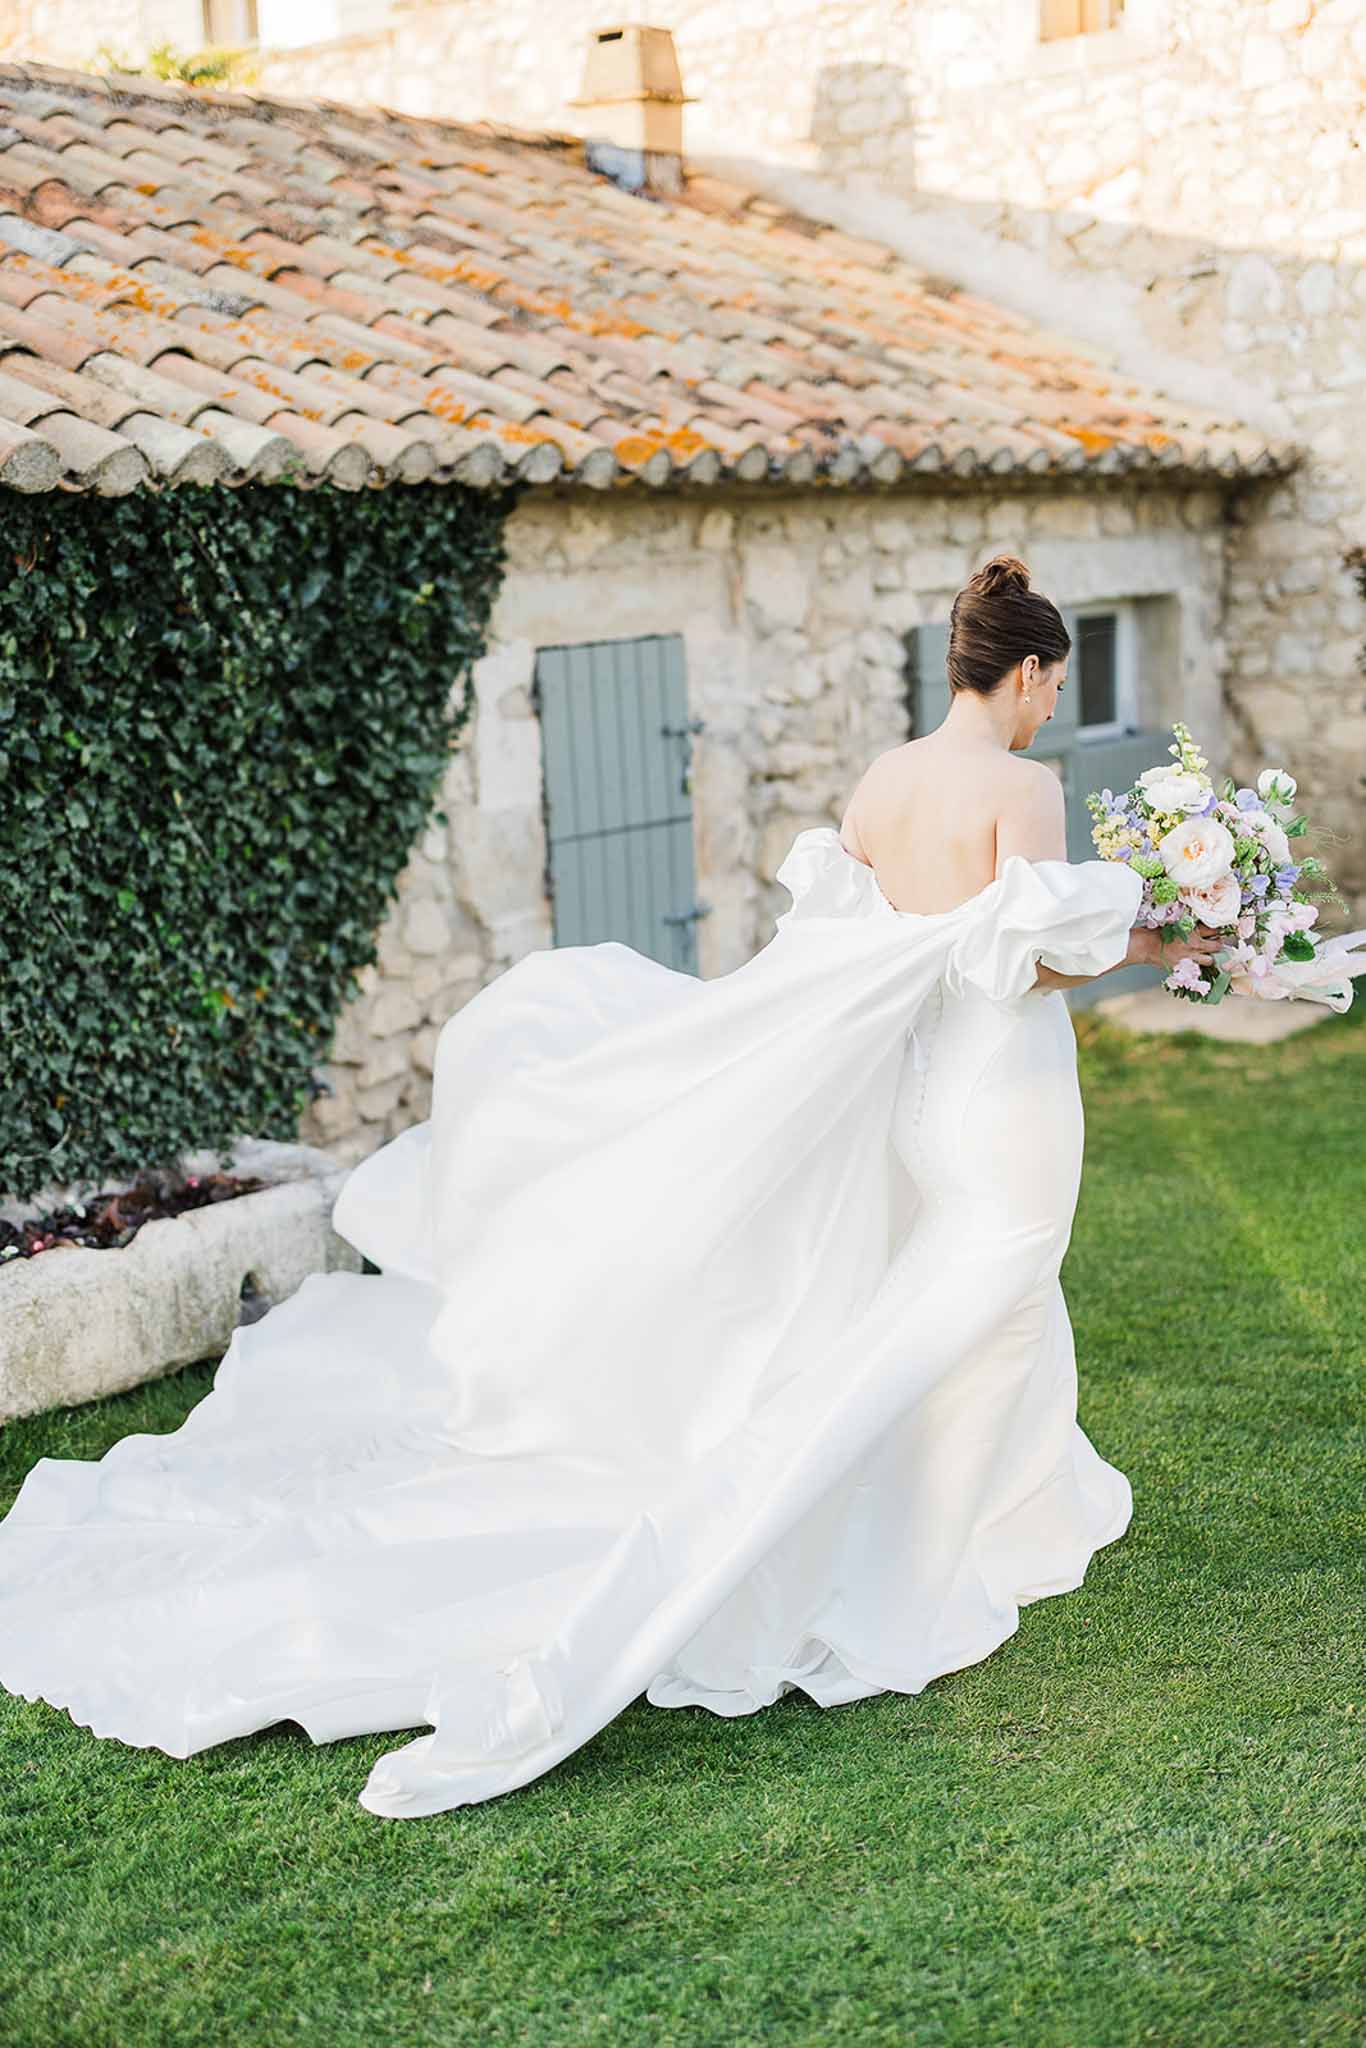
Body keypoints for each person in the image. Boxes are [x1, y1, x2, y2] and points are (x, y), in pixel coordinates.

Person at [0, 555, 1225, 1820]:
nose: (1049, 710)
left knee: (978, 1311)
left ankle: (988, 1516)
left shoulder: (881, 782)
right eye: (1053, 688)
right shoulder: (1019, 788)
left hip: (920, 1102)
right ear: (1024, 674)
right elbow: (1016, 965)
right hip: (996, 1099)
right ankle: (901, 1562)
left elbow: (867, 947)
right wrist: (1160, 934)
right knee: (967, 1309)